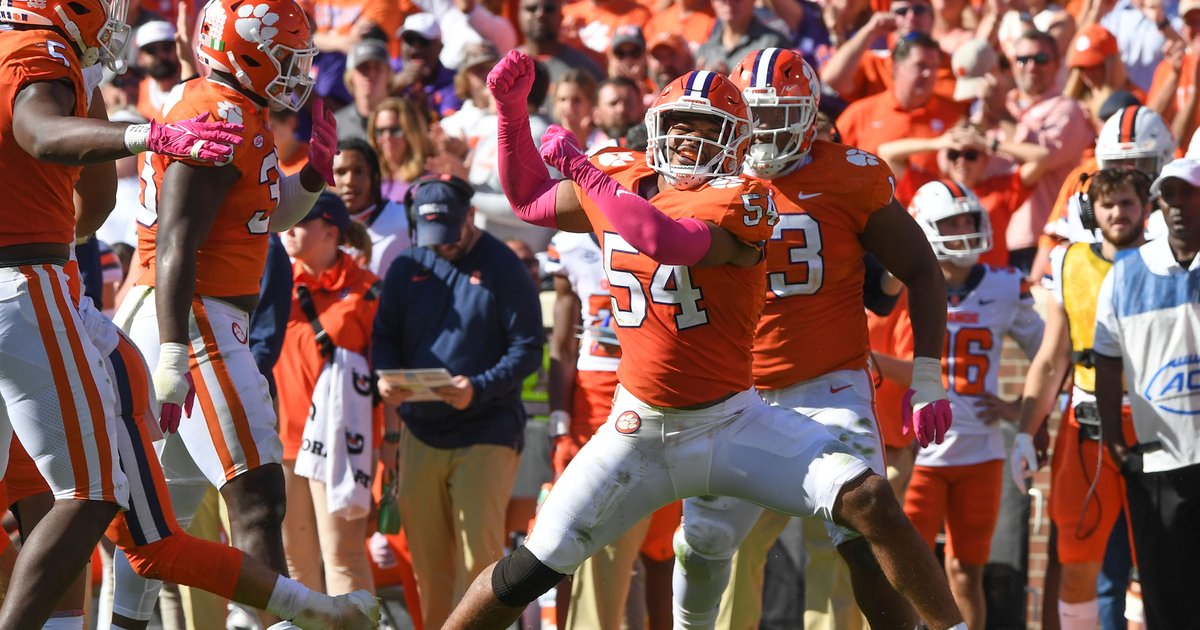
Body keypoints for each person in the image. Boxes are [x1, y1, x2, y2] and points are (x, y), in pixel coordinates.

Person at [441, 49, 967, 630]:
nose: (692, 141)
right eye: (681, 127)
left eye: (711, 129)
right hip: (637, 427)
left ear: (735, 140)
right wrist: (512, 115)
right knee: (531, 569)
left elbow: (663, 239)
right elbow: (529, 200)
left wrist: (585, 173)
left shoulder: (744, 197)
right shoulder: (623, 173)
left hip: (734, 417)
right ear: (656, 131)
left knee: (867, 504)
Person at [670, 47, 951, 630]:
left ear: (808, 113)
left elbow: (922, 267)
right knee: (702, 547)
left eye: (778, 114)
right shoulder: (708, 172)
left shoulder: (850, 175)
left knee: (863, 533)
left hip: (828, 387)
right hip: (732, 393)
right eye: (755, 114)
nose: (765, 129)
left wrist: (927, 380)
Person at [0, 0, 243, 622]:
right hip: (23, 282)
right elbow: (42, 134)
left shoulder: (58, 60)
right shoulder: (40, 51)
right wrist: (149, 133)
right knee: (93, 492)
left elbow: (96, 196)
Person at [112, 0, 341, 624]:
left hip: (192, 315)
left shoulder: (240, 110)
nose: (298, 70)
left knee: (158, 523)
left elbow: (257, 220)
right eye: (286, 57)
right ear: (245, 53)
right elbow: (177, 243)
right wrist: (173, 354)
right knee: (259, 497)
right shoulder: (217, 113)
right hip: (193, 319)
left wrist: (312, 174)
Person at [372, 175, 545, 629]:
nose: (441, 247)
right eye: (431, 237)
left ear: (470, 217)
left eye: (448, 235)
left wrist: (480, 386)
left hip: (486, 429)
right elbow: (385, 338)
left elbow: (528, 348)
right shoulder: (407, 264)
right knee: (429, 567)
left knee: (479, 564)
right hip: (420, 431)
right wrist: (385, 380)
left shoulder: (503, 266)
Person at [1010, 168, 1153, 630]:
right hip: (1086, 429)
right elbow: (1051, 360)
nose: (1117, 212)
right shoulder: (1069, 262)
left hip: (1153, 431)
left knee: (1158, 567)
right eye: (1108, 203)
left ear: (1145, 208)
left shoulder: (1169, 263)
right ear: (1091, 209)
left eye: (1128, 203)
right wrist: (1024, 434)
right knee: (1076, 567)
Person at [903, 179, 1045, 629]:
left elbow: (1051, 353)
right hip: (917, 454)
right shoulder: (899, 284)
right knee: (901, 574)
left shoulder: (1005, 285)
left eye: (969, 220)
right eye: (951, 222)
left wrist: (1014, 409)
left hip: (980, 453)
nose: (963, 231)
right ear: (923, 226)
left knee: (967, 574)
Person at [544, 228, 680, 630]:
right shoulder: (569, 244)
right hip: (594, 403)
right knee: (574, 542)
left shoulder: (666, 229)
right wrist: (559, 422)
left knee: (664, 549)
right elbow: (564, 343)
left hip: (659, 398)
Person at [1093, 157, 1200, 628]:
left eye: (1190, 193)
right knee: (1166, 601)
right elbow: (1107, 359)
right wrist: (1116, 441)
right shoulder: (1125, 273)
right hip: (1157, 464)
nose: (1179, 205)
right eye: (1170, 195)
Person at [277, 192, 387, 598]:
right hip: (285, 439)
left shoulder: (368, 290)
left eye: (300, 221)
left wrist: (388, 444)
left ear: (330, 232)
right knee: (294, 562)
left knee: (343, 557)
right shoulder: (274, 281)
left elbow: (383, 374)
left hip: (343, 444)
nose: (288, 229)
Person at [334, 138, 410, 276]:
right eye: (340, 172)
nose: (349, 181)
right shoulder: (313, 227)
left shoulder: (405, 221)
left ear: (375, 178)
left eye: (359, 172)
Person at [367, 97, 435, 203]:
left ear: (412, 133)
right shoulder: (370, 176)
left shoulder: (428, 177)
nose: (387, 137)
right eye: (380, 131)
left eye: (395, 130)